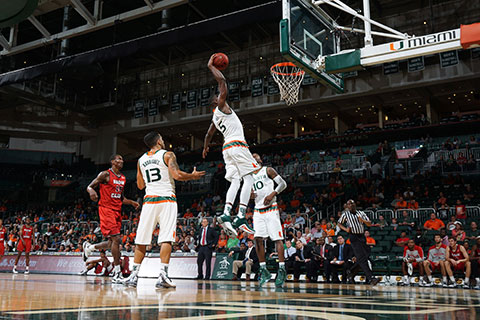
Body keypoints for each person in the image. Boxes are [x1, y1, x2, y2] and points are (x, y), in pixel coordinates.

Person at [123, 132, 205, 288]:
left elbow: (140, 185)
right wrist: (192, 176)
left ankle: (134, 275)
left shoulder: (141, 160)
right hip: (166, 199)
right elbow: (177, 175)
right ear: (159, 141)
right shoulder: (168, 155)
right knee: (166, 238)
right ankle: (163, 275)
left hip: (149, 201)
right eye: (162, 138)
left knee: (141, 239)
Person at [203, 54, 259, 237]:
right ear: (217, 100)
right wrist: (211, 66)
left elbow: (209, 134)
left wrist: (205, 147)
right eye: (219, 97)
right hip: (237, 145)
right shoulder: (222, 107)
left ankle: (226, 214)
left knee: (235, 181)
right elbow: (222, 82)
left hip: (226, 149)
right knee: (250, 176)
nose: (222, 96)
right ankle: (241, 215)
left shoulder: (214, 119)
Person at [84, 154, 140, 283]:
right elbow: (90, 186)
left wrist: (132, 202)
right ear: (112, 162)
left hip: (117, 211)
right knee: (117, 239)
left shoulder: (123, 178)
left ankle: (90, 248)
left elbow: (121, 198)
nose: (121, 161)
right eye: (118, 159)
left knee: (112, 243)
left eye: (122, 159)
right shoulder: (105, 174)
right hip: (106, 209)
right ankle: (117, 272)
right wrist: (91, 191)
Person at [250, 153, 288, 287]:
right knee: (258, 239)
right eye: (252, 156)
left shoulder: (268, 170)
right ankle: (263, 269)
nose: (254, 156)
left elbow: (283, 184)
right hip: (258, 210)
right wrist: (250, 195)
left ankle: (282, 269)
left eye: (257, 155)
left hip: (271, 208)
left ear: (260, 159)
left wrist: (273, 193)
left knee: (277, 239)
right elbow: (248, 194)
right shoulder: (249, 176)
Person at [337, 199, 379, 285]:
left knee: (365, 256)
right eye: (348, 204)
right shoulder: (345, 214)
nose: (350, 205)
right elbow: (339, 223)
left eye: (352, 203)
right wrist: (346, 229)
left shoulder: (361, 213)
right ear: (347, 206)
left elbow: (369, 224)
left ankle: (350, 272)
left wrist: (363, 221)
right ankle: (371, 278)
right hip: (354, 236)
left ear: (355, 204)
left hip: (362, 236)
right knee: (362, 258)